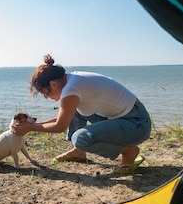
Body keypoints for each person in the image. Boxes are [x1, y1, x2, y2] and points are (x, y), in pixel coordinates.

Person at [11, 54, 152, 175]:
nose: (47, 97)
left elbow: (60, 126)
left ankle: (128, 152)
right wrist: (32, 124)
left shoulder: (71, 89)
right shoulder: (71, 80)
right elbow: (63, 117)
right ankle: (78, 152)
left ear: (53, 84)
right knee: (75, 112)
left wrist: (30, 128)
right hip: (127, 118)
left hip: (137, 124)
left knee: (80, 138)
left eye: (45, 93)